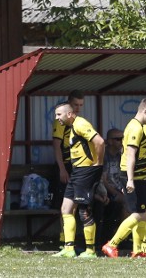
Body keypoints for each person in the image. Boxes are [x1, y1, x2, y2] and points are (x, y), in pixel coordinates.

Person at [102, 98, 146, 258]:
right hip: (133, 177)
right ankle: (111, 244)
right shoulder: (135, 128)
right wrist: (131, 180)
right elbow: (131, 155)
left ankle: (138, 249)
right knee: (138, 213)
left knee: (144, 212)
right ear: (145, 111)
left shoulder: (140, 126)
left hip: (141, 176)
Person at [53, 102, 105, 258]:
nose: (57, 118)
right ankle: (69, 248)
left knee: (84, 210)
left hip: (86, 171)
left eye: (59, 115)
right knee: (66, 208)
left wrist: (98, 163)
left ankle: (90, 250)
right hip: (77, 172)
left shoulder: (80, 124)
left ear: (69, 114)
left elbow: (100, 142)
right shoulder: (71, 128)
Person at [96, 128, 128, 251]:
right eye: (118, 139)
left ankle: (121, 238)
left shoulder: (123, 155)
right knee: (124, 203)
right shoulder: (104, 156)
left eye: (123, 138)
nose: (121, 142)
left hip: (121, 189)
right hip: (106, 191)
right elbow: (103, 180)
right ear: (109, 141)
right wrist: (115, 193)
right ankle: (118, 240)